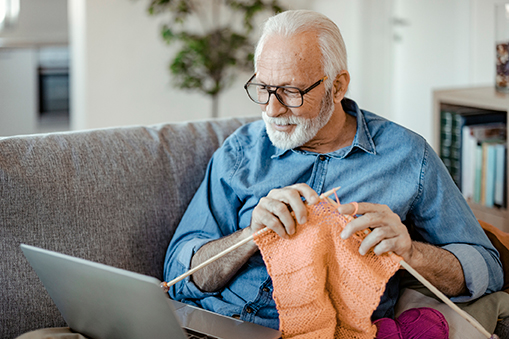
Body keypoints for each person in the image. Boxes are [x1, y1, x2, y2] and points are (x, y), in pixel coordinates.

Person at [164, 9, 504, 331]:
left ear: (338, 86)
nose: (272, 109)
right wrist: (247, 237)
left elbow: (487, 266)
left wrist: (411, 253)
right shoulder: (242, 151)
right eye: (264, 88)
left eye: (291, 92)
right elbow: (178, 274)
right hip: (219, 325)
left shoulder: (408, 156)